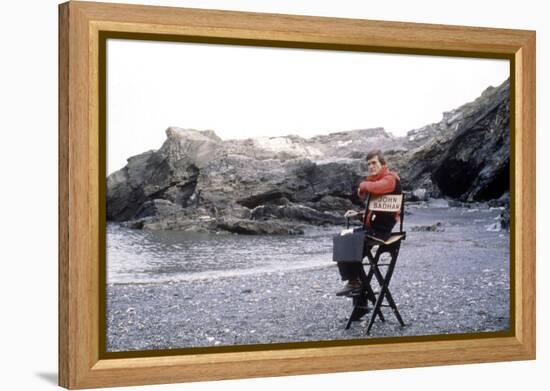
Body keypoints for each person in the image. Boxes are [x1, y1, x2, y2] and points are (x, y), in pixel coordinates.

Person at [335, 149, 402, 296]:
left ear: (383, 164)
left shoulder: (390, 179)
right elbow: (377, 210)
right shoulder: (378, 181)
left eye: (374, 163)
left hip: (381, 232)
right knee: (342, 237)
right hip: (371, 229)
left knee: (349, 243)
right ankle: (357, 288)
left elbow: (376, 188)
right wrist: (360, 215)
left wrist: (363, 186)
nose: (371, 166)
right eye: (368, 164)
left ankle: (355, 284)